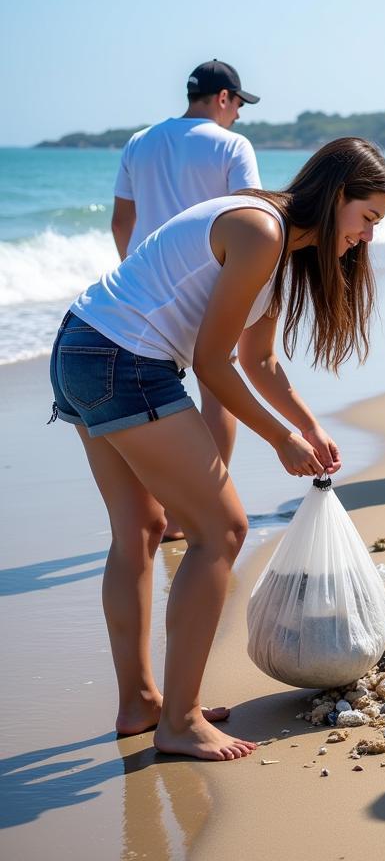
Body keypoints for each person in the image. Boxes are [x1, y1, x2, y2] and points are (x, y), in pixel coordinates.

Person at [48, 137, 385, 759]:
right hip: (124, 361)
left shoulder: (281, 247)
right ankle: (179, 720)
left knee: (139, 529)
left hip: (83, 346)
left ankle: (143, 704)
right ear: (337, 195)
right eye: (368, 217)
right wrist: (279, 438)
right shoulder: (261, 229)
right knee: (222, 530)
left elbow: (257, 360)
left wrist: (308, 425)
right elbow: (211, 362)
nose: (369, 236)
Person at [111, 60, 262, 539]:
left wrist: (136, 269)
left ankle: (164, 511)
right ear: (222, 97)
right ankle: (199, 508)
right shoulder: (232, 144)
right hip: (207, 284)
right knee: (216, 387)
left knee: (156, 397)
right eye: (238, 103)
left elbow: (121, 221)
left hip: (144, 291)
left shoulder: (140, 141)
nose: (238, 114)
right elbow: (252, 217)